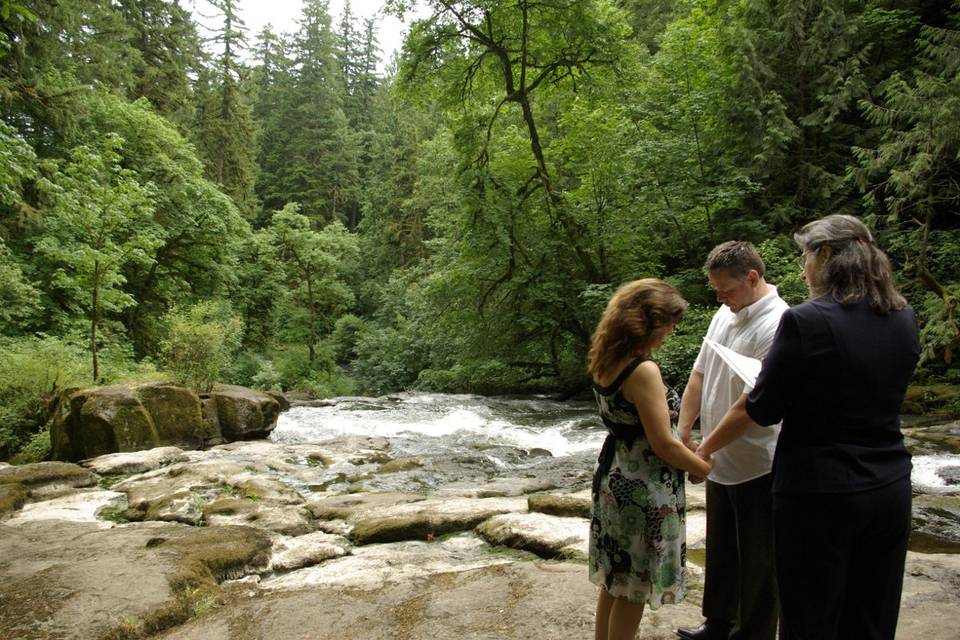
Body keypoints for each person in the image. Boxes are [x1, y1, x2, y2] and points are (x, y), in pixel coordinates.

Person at [696, 215, 920, 640]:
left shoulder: (806, 320)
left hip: (819, 493)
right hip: (889, 486)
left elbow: (761, 407)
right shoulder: (904, 316)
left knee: (810, 618)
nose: (802, 269)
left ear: (827, 255)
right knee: (872, 617)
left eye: (806, 256)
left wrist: (704, 447)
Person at [588, 278, 714, 640]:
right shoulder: (643, 370)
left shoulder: (606, 357)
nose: (672, 331)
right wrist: (702, 467)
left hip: (615, 480)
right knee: (635, 589)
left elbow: (639, 430)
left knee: (616, 580)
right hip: (644, 493)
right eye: (668, 322)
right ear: (644, 320)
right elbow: (662, 444)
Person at [675, 241, 788, 640]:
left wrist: (701, 451)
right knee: (722, 548)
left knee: (760, 559)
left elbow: (749, 406)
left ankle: (753, 633)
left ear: (753, 278)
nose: (720, 298)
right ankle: (717, 623)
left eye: (727, 290)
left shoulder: (778, 323)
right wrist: (684, 430)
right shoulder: (725, 313)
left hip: (760, 459)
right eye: (717, 291)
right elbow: (699, 375)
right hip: (719, 457)